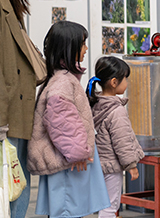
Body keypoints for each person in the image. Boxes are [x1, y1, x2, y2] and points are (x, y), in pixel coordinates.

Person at [27, 21, 110, 216]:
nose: (86, 49)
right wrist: (78, 152)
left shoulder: (59, 78)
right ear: (68, 48)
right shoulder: (63, 82)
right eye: (82, 44)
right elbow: (61, 119)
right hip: (68, 163)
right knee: (68, 210)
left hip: (67, 159)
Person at [0, 0, 46, 218]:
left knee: (16, 188)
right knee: (13, 192)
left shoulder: (9, 6)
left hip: (16, 115)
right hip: (7, 121)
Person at [87, 56, 144, 218]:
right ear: (114, 82)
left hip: (96, 165)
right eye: (125, 78)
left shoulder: (94, 104)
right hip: (111, 167)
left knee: (101, 204)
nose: (126, 82)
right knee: (110, 206)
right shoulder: (116, 110)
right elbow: (122, 141)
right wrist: (131, 165)